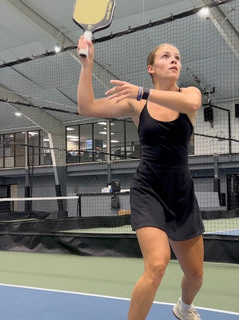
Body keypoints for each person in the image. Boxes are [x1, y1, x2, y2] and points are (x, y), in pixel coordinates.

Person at [77, 36, 205, 320]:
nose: (174, 60)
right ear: (151, 67)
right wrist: (87, 66)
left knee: (195, 275)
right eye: (166, 56)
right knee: (157, 265)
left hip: (182, 195)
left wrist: (142, 91)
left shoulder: (190, 94)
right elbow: (87, 108)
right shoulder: (137, 105)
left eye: (177, 57)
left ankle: (183, 308)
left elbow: (192, 105)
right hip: (149, 191)